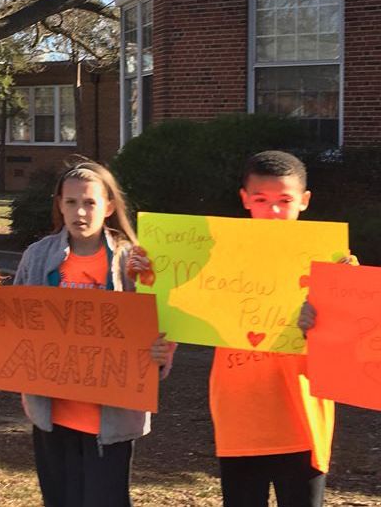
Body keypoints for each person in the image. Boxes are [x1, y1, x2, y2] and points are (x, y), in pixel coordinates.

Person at [136, 150, 346, 507]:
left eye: (285, 200)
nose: (274, 211)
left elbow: (351, 345)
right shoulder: (217, 256)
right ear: (245, 199)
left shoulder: (334, 260)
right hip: (239, 418)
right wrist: (148, 277)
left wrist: (326, 319)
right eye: (262, 200)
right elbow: (177, 309)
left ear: (305, 201)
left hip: (303, 420)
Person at [0, 159, 175, 507]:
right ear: (59, 205)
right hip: (52, 415)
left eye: (90, 202)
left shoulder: (132, 261)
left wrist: (160, 353)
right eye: (71, 202)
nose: (80, 212)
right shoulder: (39, 256)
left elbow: (159, 329)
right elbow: (13, 323)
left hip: (111, 420)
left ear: (109, 206)